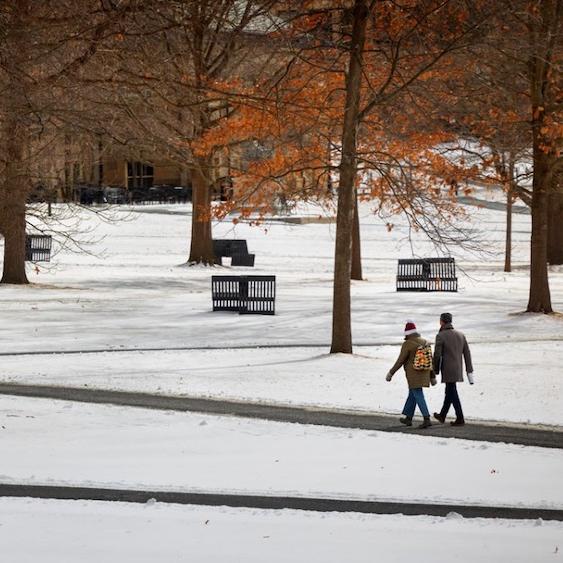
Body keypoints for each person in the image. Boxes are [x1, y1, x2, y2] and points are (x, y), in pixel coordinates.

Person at [386, 320, 436, 429]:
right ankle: (408, 418)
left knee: (418, 394)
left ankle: (427, 418)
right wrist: (432, 376)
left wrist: (391, 373)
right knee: (412, 394)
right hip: (425, 372)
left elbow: (400, 361)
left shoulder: (407, 344)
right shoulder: (425, 342)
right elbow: (430, 360)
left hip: (413, 374)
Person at [433, 312, 474, 426]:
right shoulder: (461, 335)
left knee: (452, 392)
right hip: (457, 368)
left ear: (442, 321)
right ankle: (442, 415)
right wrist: (469, 371)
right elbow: (467, 354)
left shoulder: (441, 336)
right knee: (450, 391)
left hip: (447, 369)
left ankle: (460, 418)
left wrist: (435, 370)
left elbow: (437, 355)